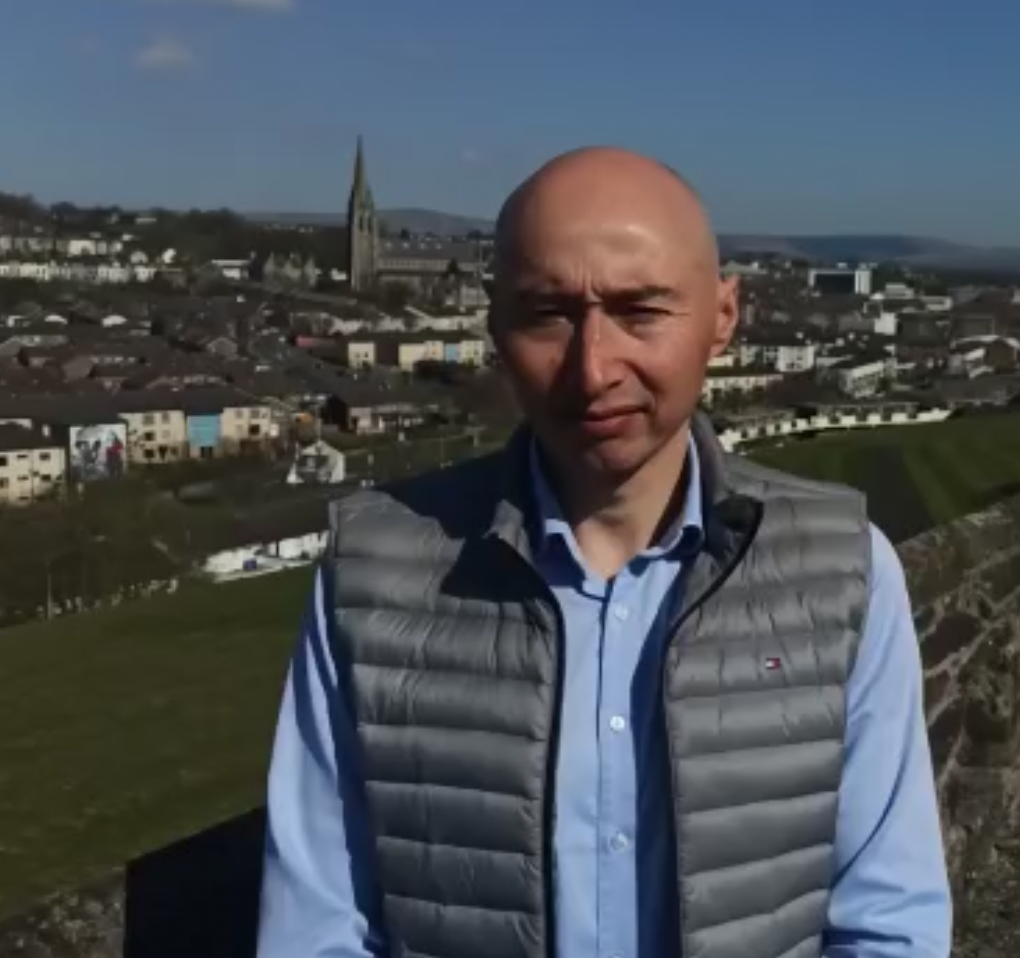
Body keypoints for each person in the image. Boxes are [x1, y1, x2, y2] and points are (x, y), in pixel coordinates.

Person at [257, 147, 952, 958]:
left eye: (641, 311)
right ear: (494, 325)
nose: (592, 370)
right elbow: (315, 934)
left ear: (724, 317)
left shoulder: (844, 568)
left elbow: (887, 926)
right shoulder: (367, 570)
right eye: (548, 313)